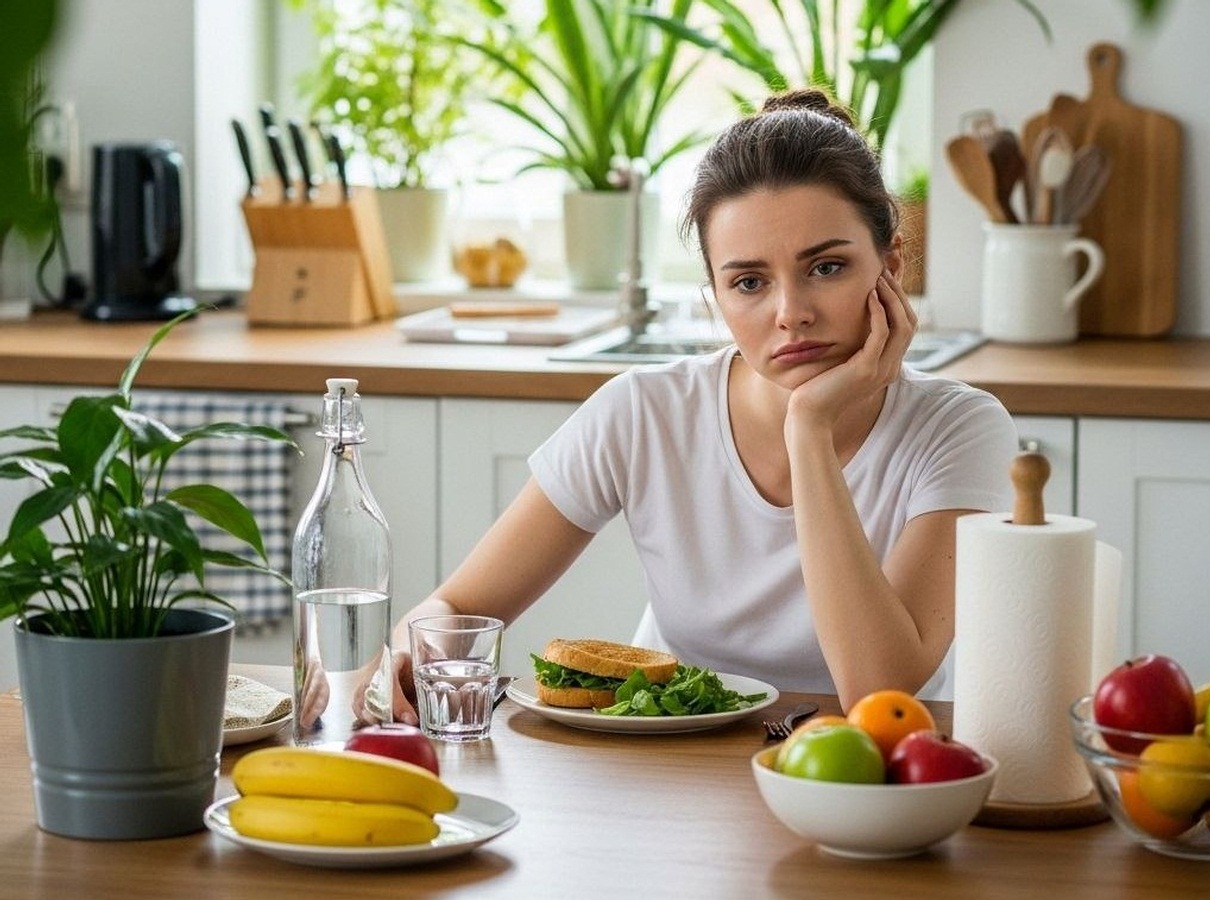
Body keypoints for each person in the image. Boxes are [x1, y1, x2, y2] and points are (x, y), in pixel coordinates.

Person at [372, 89, 1017, 719]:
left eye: (826, 267)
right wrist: (406, 655)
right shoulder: (644, 413)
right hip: (670, 761)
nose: (790, 312)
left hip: (873, 769)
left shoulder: (958, 429)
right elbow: (456, 607)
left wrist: (809, 428)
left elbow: (879, 691)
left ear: (891, 265)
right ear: (714, 297)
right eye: (749, 282)